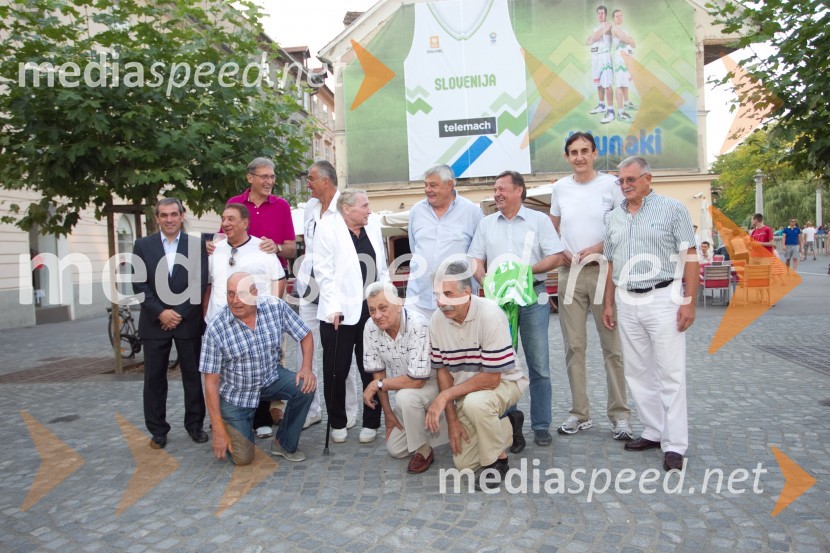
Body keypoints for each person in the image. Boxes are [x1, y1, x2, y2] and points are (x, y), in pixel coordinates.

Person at [601, 156, 698, 472]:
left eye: (631, 179)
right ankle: (654, 431)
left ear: (647, 178)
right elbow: (611, 263)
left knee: (670, 372)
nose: (625, 186)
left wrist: (689, 301)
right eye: (621, 181)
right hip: (627, 299)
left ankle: (675, 445)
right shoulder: (613, 217)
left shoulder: (673, 209)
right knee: (638, 371)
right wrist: (609, 302)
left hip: (663, 296)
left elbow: (691, 256)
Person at [468, 170, 564, 447]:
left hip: (533, 296)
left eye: (502, 189)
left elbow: (556, 256)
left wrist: (521, 272)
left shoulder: (539, 220)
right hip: (499, 304)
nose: (497, 194)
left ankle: (542, 424)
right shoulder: (486, 224)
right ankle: (510, 425)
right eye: (495, 189)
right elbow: (475, 258)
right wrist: (488, 281)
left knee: (539, 365)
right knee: (502, 364)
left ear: (519, 190)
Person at [549, 132, 631, 441]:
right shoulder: (560, 188)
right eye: (573, 152)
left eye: (585, 151)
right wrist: (561, 252)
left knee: (612, 346)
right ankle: (579, 413)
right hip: (569, 274)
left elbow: (624, 226)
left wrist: (599, 246)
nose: (579, 156)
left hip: (604, 272)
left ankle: (620, 415)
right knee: (574, 347)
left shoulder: (611, 186)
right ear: (567, 156)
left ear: (594, 153)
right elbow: (551, 230)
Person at [425, 261, 529, 489]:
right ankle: (511, 425)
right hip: (466, 390)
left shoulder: (490, 314)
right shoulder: (436, 320)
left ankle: (497, 463)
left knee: (475, 404)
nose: (441, 302)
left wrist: (444, 397)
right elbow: (442, 372)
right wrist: (452, 421)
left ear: (467, 293)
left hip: (505, 382)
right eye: (437, 295)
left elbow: (492, 378)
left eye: (448, 294)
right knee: (464, 464)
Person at [200, 272, 315, 465]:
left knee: (305, 385)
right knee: (243, 458)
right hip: (236, 395)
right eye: (230, 294)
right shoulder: (216, 328)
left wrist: (306, 368)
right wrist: (218, 429)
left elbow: (305, 334)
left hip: (270, 378)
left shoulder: (274, 307)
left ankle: (283, 443)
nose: (235, 301)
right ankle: (233, 425)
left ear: (255, 293)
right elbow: (210, 382)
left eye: (241, 294)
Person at [204, 203, 287, 439]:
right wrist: (206, 315)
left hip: (254, 322)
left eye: (231, 218)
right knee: (221, 376)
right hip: (221, 324)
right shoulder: (215, 250)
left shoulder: (263, 248)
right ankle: (222, 421)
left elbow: (278, 279)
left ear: (245, 222)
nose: (226, 223)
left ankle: (261, 419)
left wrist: (269, 313)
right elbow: (208, 284)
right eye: (223, 219)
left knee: (258, 370)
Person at [314, 189, 389, 444]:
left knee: (371, 367)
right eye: (365, 206)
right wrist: (333, 305)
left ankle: (371, 420)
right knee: (336, 368)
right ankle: (337, 421)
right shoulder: (327, 227)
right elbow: (323, 271)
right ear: (347, 209)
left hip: (371, 310)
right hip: (339, 311)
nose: (370, 210)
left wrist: (386, 298)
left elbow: (382, 266)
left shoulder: (374, 225)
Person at [131, 198, 208, 449]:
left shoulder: (196, 245)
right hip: (155, 323)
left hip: (188, 321)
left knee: (193, 376)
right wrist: (161, 313)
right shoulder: (143, 245)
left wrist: (178, 314)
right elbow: (139, 285)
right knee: (154, 379)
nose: (169, 219)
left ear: (182, 215)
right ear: (157, 218)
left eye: (174, 214)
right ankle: (158, 430)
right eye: (164, 215)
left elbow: (200, 283)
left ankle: (195, 425)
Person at [294, 161, 360, 431]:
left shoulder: (345, 207)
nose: (307, 184)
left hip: (336, 289)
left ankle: (348, 409)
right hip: (309, 285)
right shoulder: (310, 208)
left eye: (310, 179)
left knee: (339, 352)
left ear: (325, 180)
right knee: (303, 348)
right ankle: (311, 409)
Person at [362, 282, 448, 474]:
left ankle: (424, 451)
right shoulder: (370, 327)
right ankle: (440, 427)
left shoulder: (418, 324)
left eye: (383, 308)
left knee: (405, 397)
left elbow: (417, 380)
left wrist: (377, 385)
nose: (377, 316)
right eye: (372, 310)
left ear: (399, 304)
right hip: (408, 389)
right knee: (396, 449)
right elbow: (379, 371)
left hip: (434, 384)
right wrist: (389, 415)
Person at [405, 164, 484, 321]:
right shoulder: (416, 211)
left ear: (449, 185)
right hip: (419, 298)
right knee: (419, 345)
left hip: (458, 300)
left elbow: (479, 253)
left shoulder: (472, 212)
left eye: (433, 185)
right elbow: (414, 247)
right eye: (426, 185)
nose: (428, 189)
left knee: (458, 344)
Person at [225, 157, 296, 267]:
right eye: (264, 177)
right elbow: (223, 238)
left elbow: (292, 250)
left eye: (272, 177)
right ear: (250, 178)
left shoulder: (282, 206)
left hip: (274, 275)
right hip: (239, 271)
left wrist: (277, 248)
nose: (269, 181)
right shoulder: (234, 202)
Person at [586, 5, 615, 124]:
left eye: (602, 13)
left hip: (604, 56)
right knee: (598, 83)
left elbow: (594, 38)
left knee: (607, 84)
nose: (600, 15)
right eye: (598, 13)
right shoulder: (596, 27)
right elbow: (587, 41)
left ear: (606, 14)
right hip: (595, 57)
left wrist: (595, 37)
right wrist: (595, 37)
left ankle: (611, 111)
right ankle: (601, 105)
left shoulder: (608, 25)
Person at [610, 9, 637, 122]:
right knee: (620, 85)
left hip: (627, 57)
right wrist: (628, 39)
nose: (619, 17)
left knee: (625, 82)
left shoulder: (624, 29)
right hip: (620, 58)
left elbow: (634, 44)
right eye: (617, 16)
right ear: (613, 18)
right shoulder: (615, 28)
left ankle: (627, 103)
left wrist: (629, 40)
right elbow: (626, 40)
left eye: (621, 15)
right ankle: (621, 113)